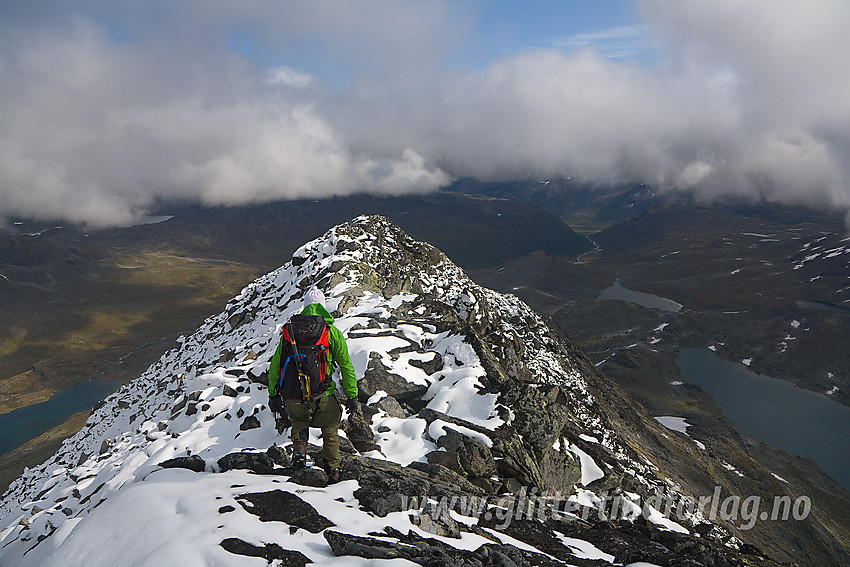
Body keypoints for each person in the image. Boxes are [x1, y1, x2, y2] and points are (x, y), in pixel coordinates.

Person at [267, 287, 358, 483]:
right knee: (330, 429)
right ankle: (333, 469)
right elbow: (346, 365)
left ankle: (299, 457)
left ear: (305, 306)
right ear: (323, 307)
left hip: (293, 394)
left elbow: (276, 366)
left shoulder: (290, 332)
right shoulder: (330, 332)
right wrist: (352, 394)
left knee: (299, 422)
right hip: (322, 393)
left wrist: (273, 394)